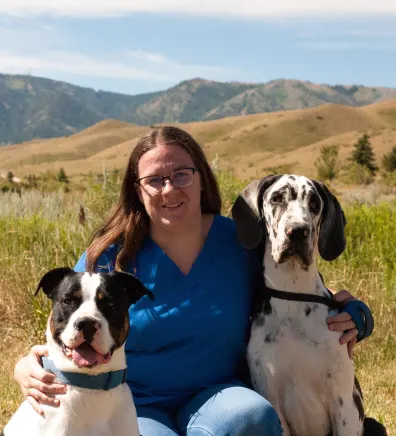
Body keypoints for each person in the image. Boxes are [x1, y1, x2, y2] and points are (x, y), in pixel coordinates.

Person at [14, 126, 369, 435]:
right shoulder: (110, 257)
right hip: (133, 402)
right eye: (154, 180)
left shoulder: (241, 243)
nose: (169, 190)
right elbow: (70, 321)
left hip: (219, 395)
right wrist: (24, 366)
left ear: (202, 177)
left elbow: (297, 291)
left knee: (251, 417)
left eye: (182, 174)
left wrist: (356, 314)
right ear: (138, 190)